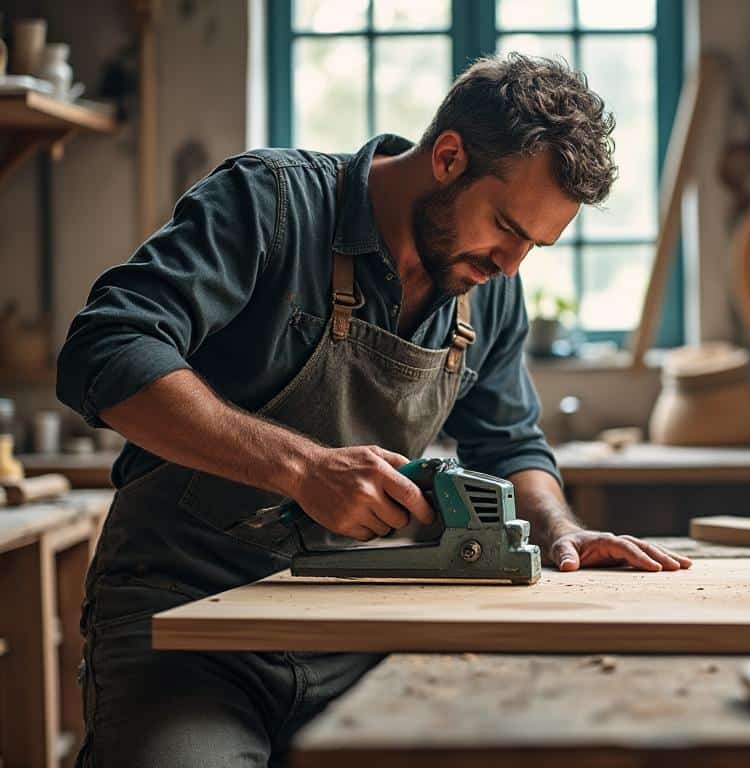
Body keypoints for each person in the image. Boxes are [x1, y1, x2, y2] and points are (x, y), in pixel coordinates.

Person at [57, 53, 690, 767]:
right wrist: (301, 469)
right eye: (507, 228)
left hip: (358, 628)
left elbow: (510, 445)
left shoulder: (492, 290)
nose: (511, 265)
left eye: (534, 247)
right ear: (448, 156)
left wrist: (560, 531)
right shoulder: (271, 203)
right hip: (187, 620)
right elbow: (107, 349)